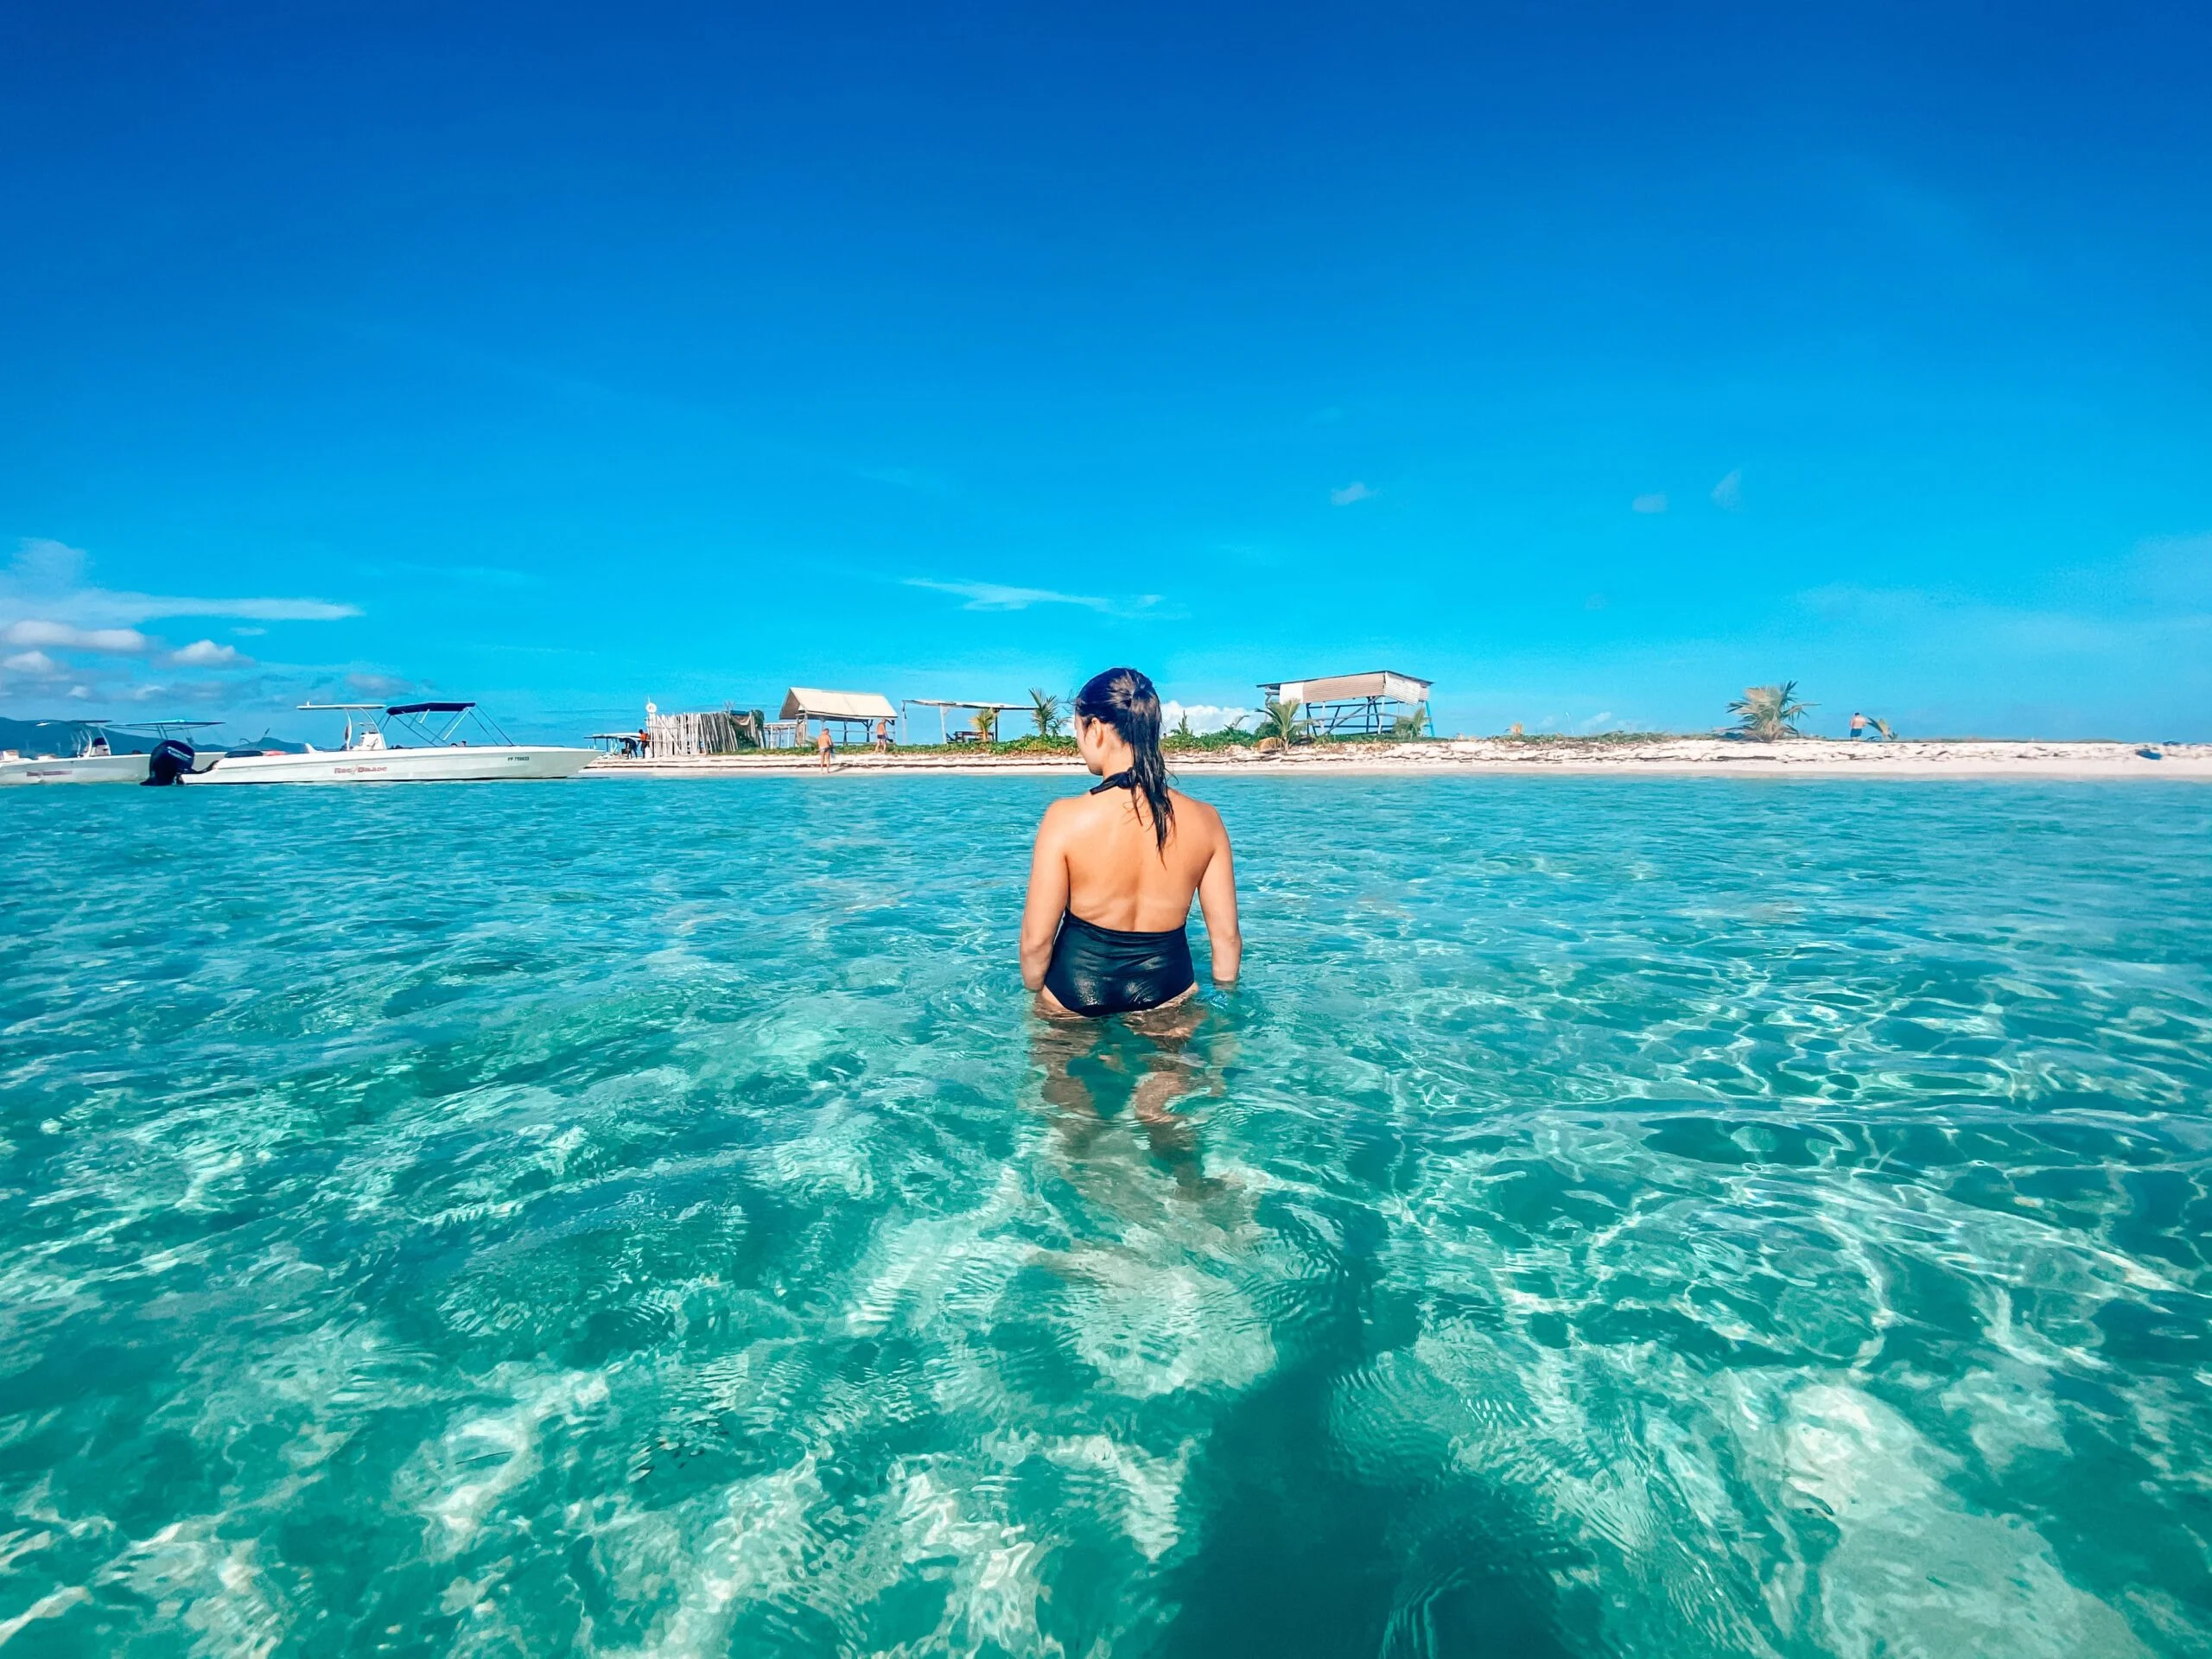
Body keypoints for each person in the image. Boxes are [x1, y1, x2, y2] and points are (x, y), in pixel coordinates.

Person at [1020, 666, 1240, 1017]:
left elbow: (1036, 943)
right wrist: (1226, 999)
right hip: (1169, 989)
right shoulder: (1206, 820)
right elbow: (1226, 940)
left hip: (1075, 989)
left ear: (1095, 728)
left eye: (1077, 729)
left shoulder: (1064, 818)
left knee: (1065, 1072)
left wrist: (1035, 999)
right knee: (1175, 1071)